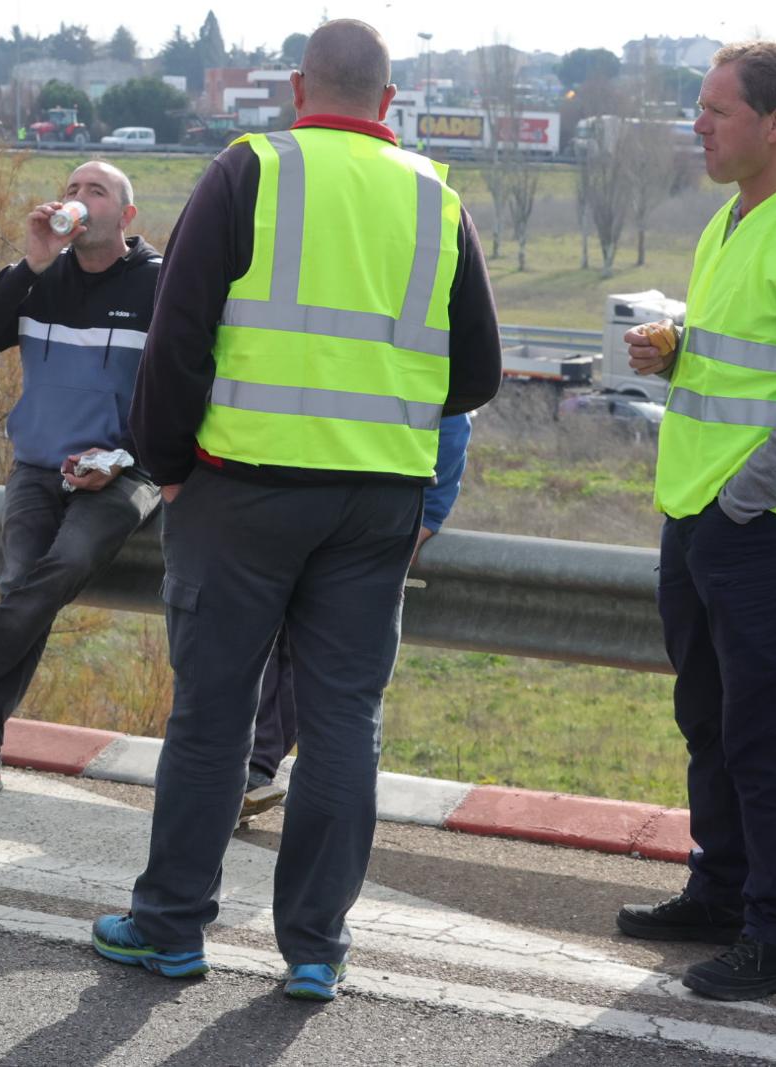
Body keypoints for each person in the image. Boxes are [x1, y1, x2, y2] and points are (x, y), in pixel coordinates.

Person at [90, 19, 500, 997]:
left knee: (213, 714)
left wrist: (166, 465)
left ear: (294, 86)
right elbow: (475, 370)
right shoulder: (436, 198)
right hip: (375, 502)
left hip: (240, 488)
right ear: (388, 103)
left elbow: (175, 335)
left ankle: (171, 928)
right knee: (343, 720)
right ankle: (315, 947)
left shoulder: (250, 170)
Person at [0, 161, 163, 796]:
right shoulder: (39, 276)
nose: (77, 200)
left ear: (126, 217)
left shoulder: (159, 285)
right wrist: (31, 263)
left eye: (95, 192)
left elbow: (192, 385)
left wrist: (123, 459)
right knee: (24, 588)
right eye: (71, 190)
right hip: (39, 466)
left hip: (128, 474)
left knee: (60, 568)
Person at [615, 41, 776, 1003]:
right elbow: (740, 361)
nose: (699, 125)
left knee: (763, 734)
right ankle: (720, 891)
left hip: (751, 521)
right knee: (710, 720)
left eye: (717, 110)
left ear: (772, 123)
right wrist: (674, 353)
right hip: (695, 509)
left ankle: (770, 927)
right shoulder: (728, 217)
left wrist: (746, 495)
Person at [240, 412, 474, 820]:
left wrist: (427, 515)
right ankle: (253, 778)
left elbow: (452, 418)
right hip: (310, 499)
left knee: (327, 677)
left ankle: (256, 777)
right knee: (302, 665)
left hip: (361, 511)